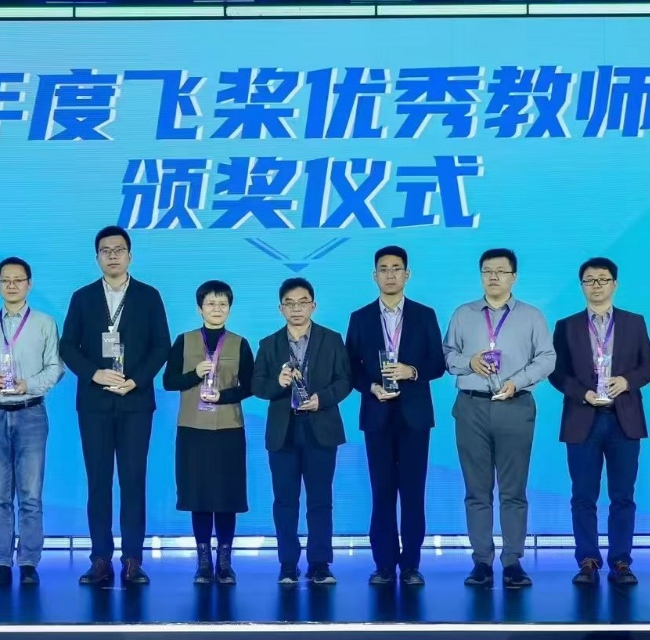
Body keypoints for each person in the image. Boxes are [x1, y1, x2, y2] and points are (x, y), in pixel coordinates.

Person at [59, 227, 170, 587]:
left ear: (130, 256)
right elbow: (67, 346)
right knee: (99, 482)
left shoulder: (149, 296)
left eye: (119, 250)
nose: (112, 256)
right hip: (94, 403)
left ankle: (133, 559)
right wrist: (95, 374)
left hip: (135, 402)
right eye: (105, 251)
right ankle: (100, 558)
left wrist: (135, 379)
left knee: (133, 481)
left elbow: (161, 345)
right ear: (97, 257)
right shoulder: (82, 297)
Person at [443, 248, 555, 590]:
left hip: (515, 406)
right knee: (477, 490)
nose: (494, 277)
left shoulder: (531, 316)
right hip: (472, 406)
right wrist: (470, 362)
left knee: (513, 490)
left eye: (501, 271)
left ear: (514, 277)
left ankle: (512, 561)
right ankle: (481, 561)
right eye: (487, 271)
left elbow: (547, 358)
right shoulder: (463, 314)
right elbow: (447, 355)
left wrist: (516, 382)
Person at [549, 258, 650, 586]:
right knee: (583, 496)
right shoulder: (566, 326)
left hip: (624, 419)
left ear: (615, 284)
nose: (596, 285)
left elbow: (649, 366)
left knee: (623, 496)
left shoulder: (634, 322)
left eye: (602, 279)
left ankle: (621, 561)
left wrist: (626, 381)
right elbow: (556, 372)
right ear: (581, 285)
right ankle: (587, 560)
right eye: (589, 280)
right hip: (582, 419)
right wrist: (583, 393)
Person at [344, 246, 446, 586]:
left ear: (407, 274)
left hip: (415, 417)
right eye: (384, 269)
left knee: (413, 493)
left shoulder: (424, 315)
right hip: (377, 414)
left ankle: (412, 564)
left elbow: (438, 363)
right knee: (382, 492)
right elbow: (351, 368)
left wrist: (411, 371)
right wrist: (371, 386)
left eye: (396, 268)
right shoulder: (360, 317)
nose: (390, 274)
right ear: (374, 276)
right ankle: (384, 565)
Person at [0, 258, 64, 587]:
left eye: (18, 280)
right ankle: (2, 561)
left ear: (29, 284)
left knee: (31, 496)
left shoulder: (44, 323)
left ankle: (29, 562)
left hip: (31, 412)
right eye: (5, 280)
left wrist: (29, 384)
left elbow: (55, 367)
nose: (12, 285)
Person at [252, 277, 352, 585]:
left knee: (320, 500)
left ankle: (319, 563)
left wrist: (323, 398)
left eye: (303, 302)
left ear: (313, 305)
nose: (296, 308)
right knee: (285, 501)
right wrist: (278, 383)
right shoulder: (268, 344)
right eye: (290, 303)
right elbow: (257, 386)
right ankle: (287, 563)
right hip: (283, 432)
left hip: (321, 428)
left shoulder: (331, 339)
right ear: (280, 308)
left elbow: (345, 380)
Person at [162, 280, 255, 585]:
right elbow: (168, 382)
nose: (217, 309)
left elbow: (251, 386)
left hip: (229, 428)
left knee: (227, 496)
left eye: (223, 304)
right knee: (199, 495)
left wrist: (224, 396)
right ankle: (203, 562)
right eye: (211, 304)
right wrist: (195, 374)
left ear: (230, 308)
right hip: (193, 428)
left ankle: (225, 562)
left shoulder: (240, 343)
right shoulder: (184, 340)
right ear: (200, 308)